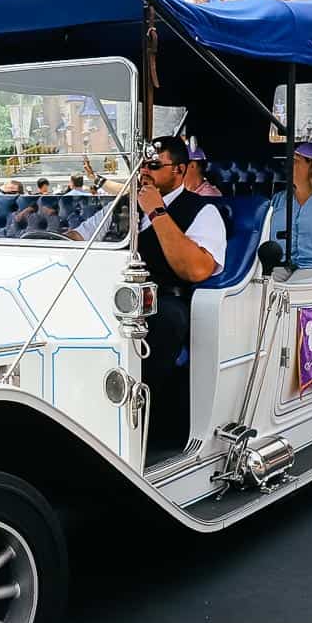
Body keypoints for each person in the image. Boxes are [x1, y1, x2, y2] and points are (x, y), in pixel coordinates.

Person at [131, 137, 227, 447]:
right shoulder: (123, 208)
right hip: (117, 293)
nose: (146, 171)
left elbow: (197, 269)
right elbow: (84, 234)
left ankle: (142, 423)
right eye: (144, 164)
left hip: (167, 298)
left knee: (165, 320)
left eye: (155, 166)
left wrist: (157, 213)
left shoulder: (203, 211)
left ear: (180, 170)